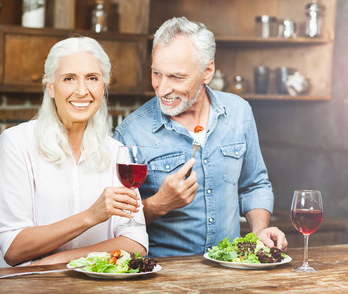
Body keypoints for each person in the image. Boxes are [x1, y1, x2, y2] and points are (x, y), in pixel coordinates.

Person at [113, 17, 287, 257]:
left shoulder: (239, 112)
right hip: (164, 275)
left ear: (207, 71)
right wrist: (159, 204)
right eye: (156, 73)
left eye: (176, 77)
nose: (162, 89)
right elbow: (115, 221)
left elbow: (254, 185)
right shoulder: (130, 132)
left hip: (230, 267)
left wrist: (259, 229)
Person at [0, 37, 148, 268]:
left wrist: (61, 260)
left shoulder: (117, 152)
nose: (82, 91)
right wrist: (91, 215)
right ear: (51, 87)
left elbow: (136, 242)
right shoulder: (16, 142)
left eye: (92, 78)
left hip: (95, 289)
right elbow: (13, 248)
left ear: (103, 86)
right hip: (27, 288)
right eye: (69, 79)